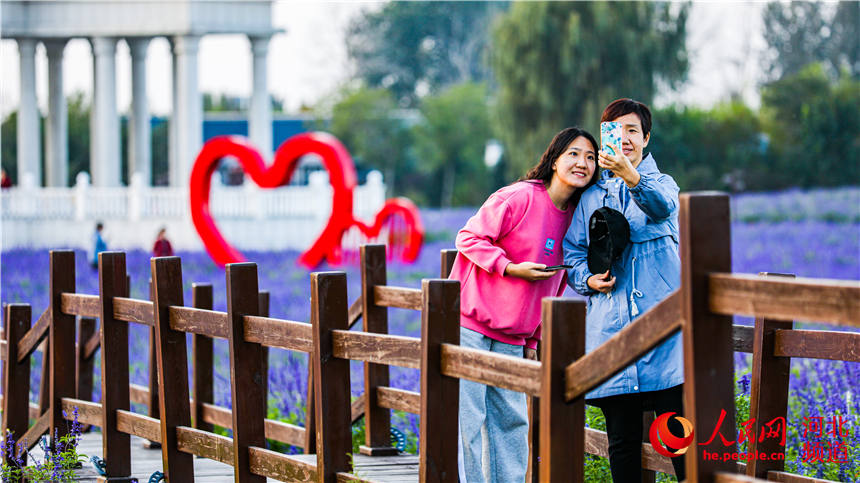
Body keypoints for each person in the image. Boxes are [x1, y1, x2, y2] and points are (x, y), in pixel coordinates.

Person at [449, 127, 599, 482]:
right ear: (554, 159)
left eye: (591, 157)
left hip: (514, 336)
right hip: (469, 324)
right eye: (574, 154)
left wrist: (533, 340)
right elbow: (467, 237)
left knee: (512, 423)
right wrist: (509, 267)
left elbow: (556, 284)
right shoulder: (519, 197)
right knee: (467, 421)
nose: (583, 163)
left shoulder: (577, 219)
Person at [563, 98, 686, 482]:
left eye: (633, 130)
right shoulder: (589, 197)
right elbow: (571, 254)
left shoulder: (662, 184)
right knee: (622, 443)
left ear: (646, 138)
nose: (625, 138)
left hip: (663, 334)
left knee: (678, 437)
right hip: (611, 331)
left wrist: (631, 176)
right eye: (615, 130)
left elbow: (661, 206)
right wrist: (588, 279)